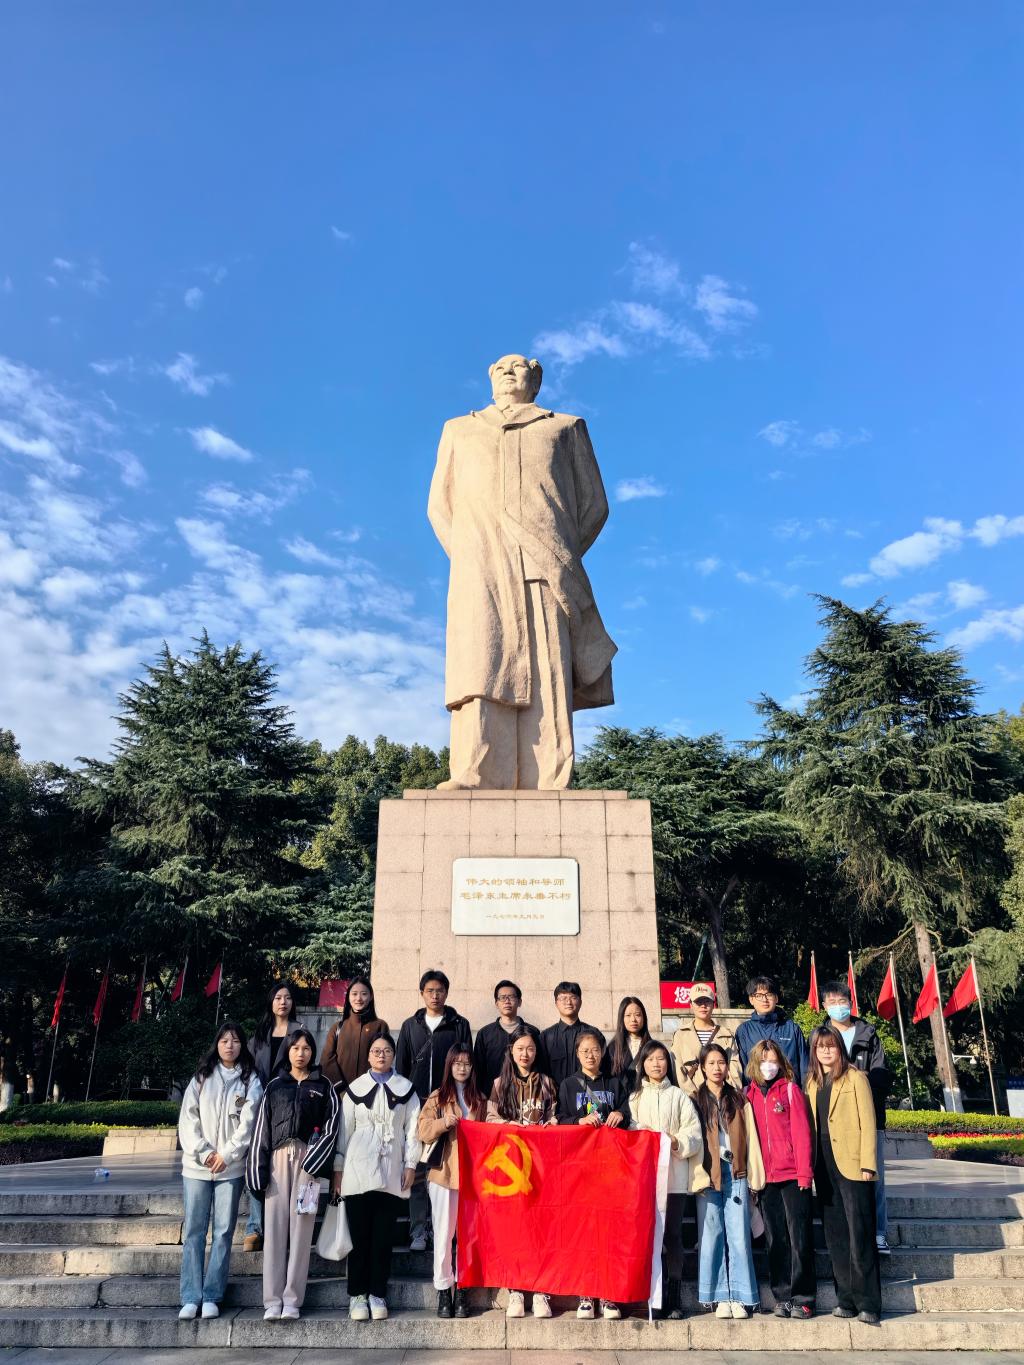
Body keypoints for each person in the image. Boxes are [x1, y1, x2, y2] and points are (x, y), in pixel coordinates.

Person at [428, 353, 616, 790]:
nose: (509, 371)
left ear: (536, 377)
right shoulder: (459, 429)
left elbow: (594, 505)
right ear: (489, 378)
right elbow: (440, 505)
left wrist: (557, 546)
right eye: (500, 367)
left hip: (545, 563)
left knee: (548, 668)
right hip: (479, 565)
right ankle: (474, 772)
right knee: (481, 665)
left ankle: (550, 777)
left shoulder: (565, 427)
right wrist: (472, 553)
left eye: (519, 366)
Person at [246, 1027, 339, 1322]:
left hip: (308, 1164)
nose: (301, 1053)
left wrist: (315, 1159)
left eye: (306, 1048)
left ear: (313, 1052)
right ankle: (272, 1300)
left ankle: (292, 1300)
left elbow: (332, 1126)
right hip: (277, 1161)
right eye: (296, 1047)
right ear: (288, 1051)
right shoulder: (275, 1085)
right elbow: (261, 1129)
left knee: (301, 1231)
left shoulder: (323, 1085)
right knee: (274, 1230)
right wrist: (257, 1170)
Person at [333, 1033, 422, 1323]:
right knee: (360, 1236)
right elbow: (344, 1131)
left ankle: (377, 1292)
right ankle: (357, 1294)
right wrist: (338, 1169)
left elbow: (412, 1131)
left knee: (383, 1237)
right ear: (369, 1056)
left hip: (391, 1169)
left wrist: (411, 1164)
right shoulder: (355, 1089)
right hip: (357, 1169)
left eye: (386, 1050)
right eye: (375, 1051)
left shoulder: (406, 1090)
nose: (381, 1055)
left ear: (394, 1055)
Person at [177, 1022, 262, 1321]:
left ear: (242, 1046)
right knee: (194, 1232)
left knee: (224, 1232)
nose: (230, 1045)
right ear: (217, 1044)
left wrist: (226, 1155)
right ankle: (191, 1296)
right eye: (225, 1040)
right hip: (196, 1168)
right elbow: (188, 1119)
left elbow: (249, 1123)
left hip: (230, 1169)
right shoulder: (202, 1077)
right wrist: (204, 1152)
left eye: (235, 1041)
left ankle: (212, 1294)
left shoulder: (250, 1080)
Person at [806, 1024, 881, 1326]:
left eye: (831, 1045)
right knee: (835, 1234)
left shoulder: (855, 1078)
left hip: (852, 1163)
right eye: (820, 1046)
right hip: (823, 1163)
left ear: (839, 1047)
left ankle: (868, 1302)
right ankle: (846, 1298)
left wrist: (868, 1163)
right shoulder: (812, 1082)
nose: (825, 1051)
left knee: (859, 1232)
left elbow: (868, 1121)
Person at [395, 970, 472, 1251]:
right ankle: (419, 1230)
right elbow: (402, 1066)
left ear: (447, 993)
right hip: (417, 1103)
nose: (435, 995)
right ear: (422, 993)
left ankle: (452, 1229)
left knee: (448, 1167)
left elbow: (465, 1060)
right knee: (417, 1167)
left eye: (440, 990)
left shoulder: (459, 1024)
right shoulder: (410, 1026)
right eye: (430, 990)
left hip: (448, 1101)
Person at [486, 1026, 559, 1319]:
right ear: (511, 1052)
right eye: (519, 1049)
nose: (525, 1054)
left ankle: (541, 1290)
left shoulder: (548, 1083)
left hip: (541, 1166)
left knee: (541, 1227)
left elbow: (555, 1116)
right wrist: (508, 1126)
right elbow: (490, 1118)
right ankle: (515, 1289)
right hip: (512, 1167)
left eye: (529, 1048)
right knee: (515, 1229)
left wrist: (551, 1125)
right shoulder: (499, 1084)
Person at [557, 1027, 630, 1320]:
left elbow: (628, 1112)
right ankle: (586, 1294)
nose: (590, 1055)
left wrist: (621, 1113)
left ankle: (609, 1295)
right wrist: (578, 1121)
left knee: (609, 1233)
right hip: (580, 1170)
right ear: (577, 1054)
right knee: (584, 1233)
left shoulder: (614, 1083)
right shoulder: (567, 1085)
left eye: (595, 1050)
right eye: (585, 1051)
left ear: (602, 1052)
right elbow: (559, 1119)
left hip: (610, 1169)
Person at [628, 1039, 702, 1320]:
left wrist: (675, 1141)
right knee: (648, 1238)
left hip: (674, 1179)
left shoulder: (679, 1096)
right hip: (645, 1181)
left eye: (660, 1058)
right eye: (650, 1059)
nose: (656, 1064)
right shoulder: (635, 1098)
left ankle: (674, 1298)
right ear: (642, 1064)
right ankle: (652, 1297)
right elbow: (631, 1131)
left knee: (673, 1236)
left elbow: (693, 1134)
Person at [692, 1042, 764, 1319]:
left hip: (736, 1171)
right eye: (710, 1063)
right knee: (711, 1235)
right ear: (702, 1068)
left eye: (721, 1062)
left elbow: (752, 1138)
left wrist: (754, 1175)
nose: (716, 1068)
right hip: (708, 1174)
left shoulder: (739, 1098)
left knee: (739, 1235)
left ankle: (741, 1295)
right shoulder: (695, 1100)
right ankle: (720, 1295)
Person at [745, 1039, 816, 1319]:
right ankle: (782, 1296)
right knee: (775, 1239)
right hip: (766, 1178)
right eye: (763, 1060)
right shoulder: (747, 1095)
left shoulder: (789, 1090)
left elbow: (802, 1133)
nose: (768, 1066)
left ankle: (804, 1297)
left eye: (773, 1060)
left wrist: (805, 1173)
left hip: (792, 1175)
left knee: (799, 1237)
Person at [821, 979, 893, 1255]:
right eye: (832, 1002)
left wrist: (857, 1082)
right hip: (834, 1122)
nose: (838, 1006)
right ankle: (849, 1236)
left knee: (874, 1178)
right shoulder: (821, 1037)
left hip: (869, 1118)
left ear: (850, 1003)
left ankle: (879, 1233)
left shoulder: (868, 1034)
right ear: (824, 1006)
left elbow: (882, 1075)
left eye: (842, 1001)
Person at [417, 1044, 488, 1319]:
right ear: (449, 1066)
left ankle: (463, 1289)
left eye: (466, 1063)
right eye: (457, 1063)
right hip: (444, 1174)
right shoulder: (438, 1097)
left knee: (468, 1236)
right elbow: (422, 1130)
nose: (462, 1068)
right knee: (444, 1234)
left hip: (473, 1176)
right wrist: (443, 1123)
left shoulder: (479, 1098)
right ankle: (443, 1289)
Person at [245, 983, 300, 1251]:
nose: (283, 1002)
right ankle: (255, 1227)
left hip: (286, 1106)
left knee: (281, 1169)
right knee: (256, 1163)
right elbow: (247, 1070)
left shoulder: (299, 1031)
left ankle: (280, 1227)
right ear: (271, 1001)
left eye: (287, 997)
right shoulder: (259, 1034)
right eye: (278, 997)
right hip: (258, 1107)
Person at [473, 980, 547, 1098]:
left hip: (526, 1096)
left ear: (519, 1002)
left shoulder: (532, 1032)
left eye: (511, 997)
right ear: (496, 1003)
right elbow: (478, 1068)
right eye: (502, 997)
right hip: (492, 1096)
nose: (507, 1001)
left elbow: (539, 1064)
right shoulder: (485, 1033)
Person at [735, 974, 810, 1084]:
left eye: (769, 994)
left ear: (776, 998)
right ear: (751, 999)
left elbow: (804, 1067)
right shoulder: (744, 1031)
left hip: (789, 1091)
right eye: (758, 995)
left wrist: (804, 1091)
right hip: (757, 1092)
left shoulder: (792, 1029)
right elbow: (743, 1068)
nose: (764, 999)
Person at [321, 976, 390, 1093]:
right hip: (341, 1093)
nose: (358, 998)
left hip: (372, 1092)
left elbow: (385, 1058)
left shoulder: (380, 1026)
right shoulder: (337, 1027)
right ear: (348, 997)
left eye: (364, 994)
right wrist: (339, 1087)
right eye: (354, 994)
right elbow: (326, 1059)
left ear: (371, 997)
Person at [671, 985, 742, 1097]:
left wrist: (726, 1094)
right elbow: (678, 1071)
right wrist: (694, 1096)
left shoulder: (726, 1035)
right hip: (691, 1098)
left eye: (707, 1001)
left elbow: (734, 1068)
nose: (703, 1006)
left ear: (713, 1004)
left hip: (722, 1096)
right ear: (691, 1005)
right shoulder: (681, 1035)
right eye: (698, 1002)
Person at [540, 981, 606, 1088]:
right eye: (563, 998)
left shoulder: (593, 1034)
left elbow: (604, 1066)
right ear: (556, 1003)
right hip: (556, 1095)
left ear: (580, 1002)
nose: (568, 1002)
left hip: (588, 1095)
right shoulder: (546, 1036)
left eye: (573, 997)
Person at [607, 996, 652, 1090]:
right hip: (621, 1097)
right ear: (621, 1018)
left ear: (644, 1017)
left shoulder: (652, 1047)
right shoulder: (613, 1048)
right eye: (628, 1015)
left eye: (637, 1015)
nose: (633, 1019)